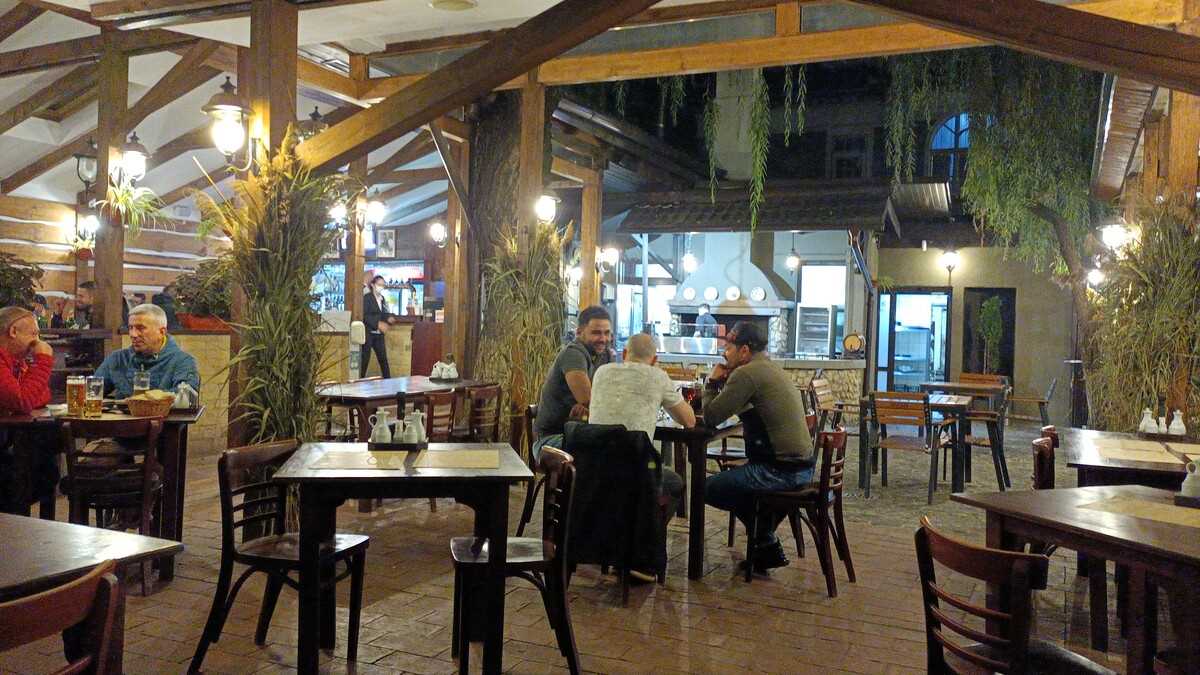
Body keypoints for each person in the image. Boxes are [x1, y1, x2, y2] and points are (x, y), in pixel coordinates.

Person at [702, 321, 814, 574]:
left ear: (744, 350)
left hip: (779, 472)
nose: (724, 353)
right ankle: (765, 542)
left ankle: (765, 539)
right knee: (740, 489)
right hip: (802, 468)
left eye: (728, 347)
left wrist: (711, 383)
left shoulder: (747, 374)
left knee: (705, 488)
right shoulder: (771, 368)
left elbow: (711, 417)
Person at [589, 332, 694, 581]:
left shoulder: (602, 372)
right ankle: (641, 558)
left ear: (625, 354)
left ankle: (618, 548)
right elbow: (689, 420)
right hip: (634, 475)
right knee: (673, 482)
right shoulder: (657, 376)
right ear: (655, 360)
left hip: (592, 471)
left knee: (637, 479)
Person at [532, 305, 613, 456]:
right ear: (579, 332)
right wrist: (595, 403)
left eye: (607, 333)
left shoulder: (606, 355)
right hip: (550, 440)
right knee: (614, 451)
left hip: (582, 432)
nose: (603, 339)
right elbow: (589, 401)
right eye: (596, 333)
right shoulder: (573, 354)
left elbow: (612, 395)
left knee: (624, 449)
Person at [0, 307, 55, 513]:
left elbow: (41, 396)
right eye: (34, 334)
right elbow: (23, 400)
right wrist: (43, 361)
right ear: (13, 331)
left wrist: (25, 396)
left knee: (45, 466)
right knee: (26, 474)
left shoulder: (14, 362)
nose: (36, 341)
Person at [95, 304, 199, 398]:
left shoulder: (183, 361)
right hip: (123, 414)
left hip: (165, 414)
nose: (133, 334)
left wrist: (154, 397)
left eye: (141, 328)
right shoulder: (118, 359)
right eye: (130, 328)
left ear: (161, 332)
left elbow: (186, 398)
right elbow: (92, 391)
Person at [361, 275, 398, 378]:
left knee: (383, 359)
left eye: (383, 285)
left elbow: (383, 314)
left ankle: (388, 380)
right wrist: (377, 323)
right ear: (373, 285)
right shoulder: (367, 298)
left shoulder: (382, 299)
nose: (381, 287)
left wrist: (389, 318)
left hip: (379, 335)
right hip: (368, 333)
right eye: (379, 284)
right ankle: (359, 380)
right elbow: (364, 315)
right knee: (364, 360)